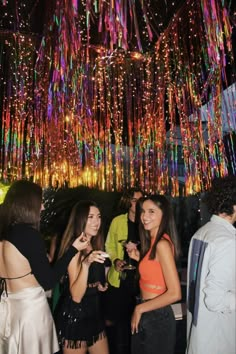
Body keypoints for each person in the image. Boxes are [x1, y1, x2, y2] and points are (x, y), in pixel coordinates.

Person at [0, 179, 88, 354]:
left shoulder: (4, 231)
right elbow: (49, 281)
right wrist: (72, 250)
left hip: (9, 308)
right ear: (28, 204)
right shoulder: (28, 235)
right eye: (40, 202)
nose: (42, 208)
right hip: (30, 311)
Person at [186, 175, 236, 354]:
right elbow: (214, 299)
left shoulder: (202, 233)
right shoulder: (227, 240)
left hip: (199, 336)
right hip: (218, 339)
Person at [54, 200, 110, 354]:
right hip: (75, 317)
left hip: (94, 314)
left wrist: (97, 285)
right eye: (90, 217)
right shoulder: (75, 248)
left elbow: (87, 282)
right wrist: (86, 264)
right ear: (80, 220)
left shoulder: (93, 244)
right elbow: (76, 296)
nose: (96, 222)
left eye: (98, 217)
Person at [128, 194, 181, 354]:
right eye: (143, 211)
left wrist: (139, 309)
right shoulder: (153, 242)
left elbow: (175, 293)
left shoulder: (162, 244)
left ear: (163, 215)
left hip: (157, 315)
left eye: (151, 212)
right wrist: (140, 258)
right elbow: (155, 271)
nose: (144, 216)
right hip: (149, 311)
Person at [104, 187, 143, 354]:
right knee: (117, 324)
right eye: (135, 200)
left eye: (141, 200)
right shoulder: (117, 221)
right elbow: (109, 245)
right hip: (120, 279)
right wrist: (115, 260)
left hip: (141, 279)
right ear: (128, 202)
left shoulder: (146, 221)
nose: (138, 204)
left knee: (136, 325)